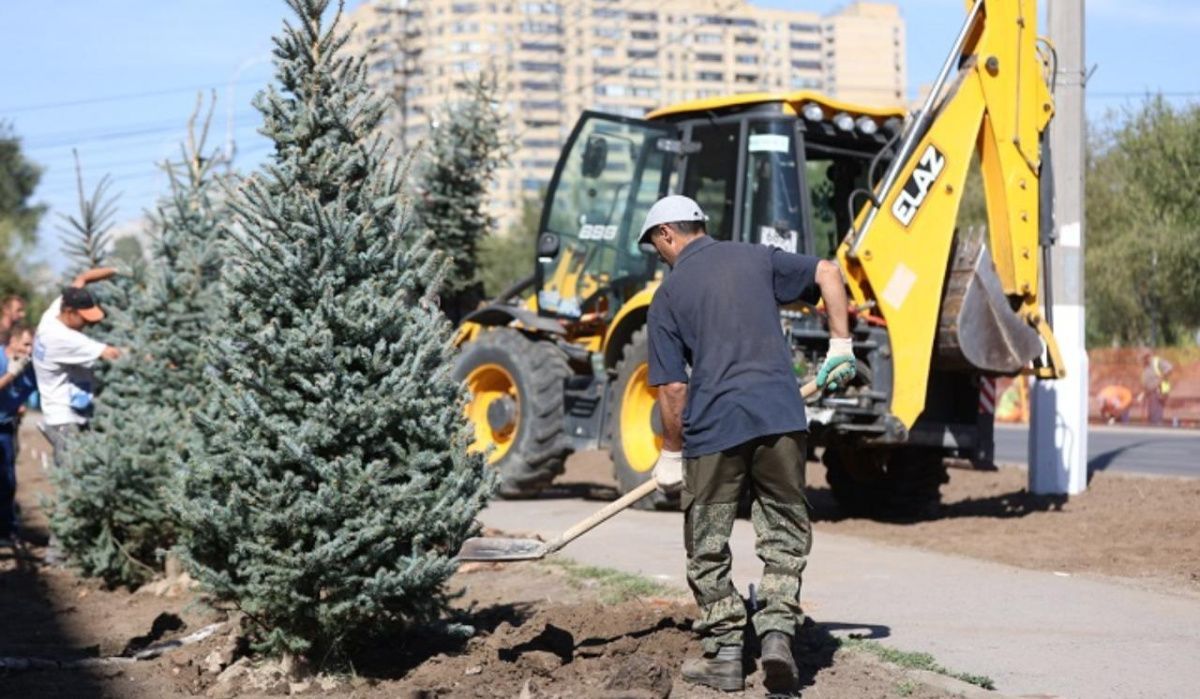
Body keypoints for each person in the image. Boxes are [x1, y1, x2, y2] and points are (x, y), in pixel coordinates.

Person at [641, 195, 855, 692]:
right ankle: (778, 631)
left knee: (707, 543)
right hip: (781, 418)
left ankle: (725, 654)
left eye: (657, 248)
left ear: (668, 234)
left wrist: (672, 452)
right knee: (783, 533)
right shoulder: (757, 258)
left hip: (715, 430)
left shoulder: (668, 297)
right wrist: (841, 344)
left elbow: (673, 389)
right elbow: (827, 271)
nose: (661, 258)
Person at [33, 268, 122, 469]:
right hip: (66, 421)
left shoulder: (53, 313)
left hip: (67, 414)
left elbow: (82, 278)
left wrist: (117, 270)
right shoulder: (62, 338)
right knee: (74, 477)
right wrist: (156, 357)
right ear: (69, 312)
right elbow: (112, 354)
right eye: (85, 319)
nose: (88, 325)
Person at [0, 322, 37, 548]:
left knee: (7, 480)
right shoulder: (3, 361)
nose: (29, 350)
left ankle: (7, 531)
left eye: (32, 345)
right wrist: (9, 376)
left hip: (6, 427)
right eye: (25, 344)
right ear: (12, 342)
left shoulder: (29, 368)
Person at [1140, 352, 1173, 426]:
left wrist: (1159, 380)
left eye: (1145, 357)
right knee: (1152, 416)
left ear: (1149, 356)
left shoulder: (1156, 362)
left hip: (1158, 392)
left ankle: (1157, 430)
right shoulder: (1146, 365)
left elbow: (1169, 368)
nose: (1144, 360)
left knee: (1155, 417)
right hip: (1150, 393)